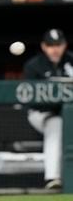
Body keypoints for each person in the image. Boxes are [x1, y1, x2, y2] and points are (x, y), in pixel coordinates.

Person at [23, 28, 72, 190]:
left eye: (58, 45)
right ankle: (52, 177)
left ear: (64, 45)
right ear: (44, 46)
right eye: (51, 45)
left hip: (69, 114)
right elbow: (29, 100)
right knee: (56, 124)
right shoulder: (34, 65)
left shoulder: (71, 61)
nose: (55, 49)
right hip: (41, 114)